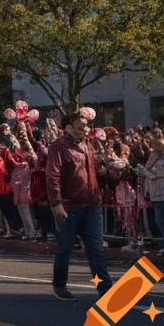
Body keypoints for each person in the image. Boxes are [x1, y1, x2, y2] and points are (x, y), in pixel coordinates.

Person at [48, 108, 112, 301]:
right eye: (82, 125)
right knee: (66, 247)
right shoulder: (58, 147)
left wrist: (110, 169)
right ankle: (59, 285)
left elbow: (95, 172)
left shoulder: (89, 146)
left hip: (92, 204)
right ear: (69, 127)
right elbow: (52, 176)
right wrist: (56, 203)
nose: (86, 129)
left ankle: (106, 291)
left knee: (95, 249)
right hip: (69, 206)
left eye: (87, 125)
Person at [134, 136, 164, 256]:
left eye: (156, 149)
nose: (153, 151)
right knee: (161, 222)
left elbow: (157, 175)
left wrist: (144, 171)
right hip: (157, 195)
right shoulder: (158, 161)